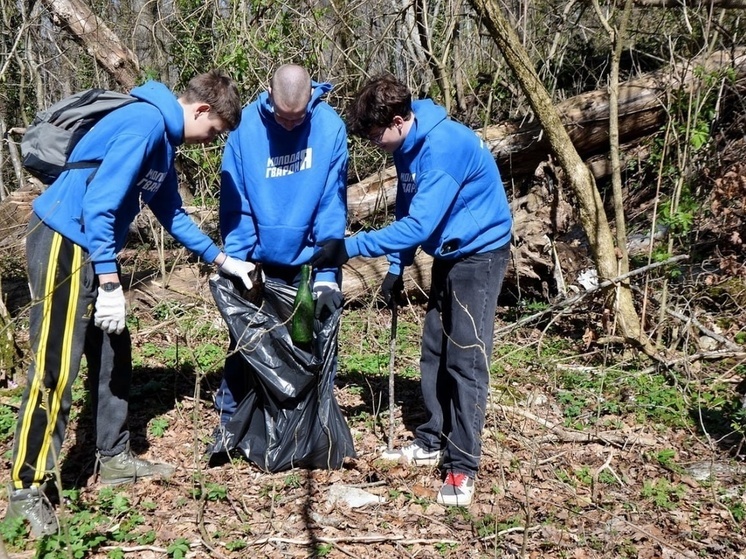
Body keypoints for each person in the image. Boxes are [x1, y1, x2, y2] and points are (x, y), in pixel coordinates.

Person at [6, 70, 257, 537]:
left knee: (112, 354)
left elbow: (173, 214)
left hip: (91, 246)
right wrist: (108, 282)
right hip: (66, 238)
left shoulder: (162, 141)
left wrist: (223, 261)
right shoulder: (144, 123)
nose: (211, 140)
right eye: (215, 130)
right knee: (55, 366)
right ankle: (26, 490)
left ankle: (114, 455)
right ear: (201, 110)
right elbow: (98, 205)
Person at [311, 74, 513, 507]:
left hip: (479, 253)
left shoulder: (442, 149)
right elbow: (407, 204)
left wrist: (347, 247)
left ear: (400, 120)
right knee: (435, 348)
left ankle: (462, 466)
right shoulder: (407, 145)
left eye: (376, 134)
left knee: (466, 359)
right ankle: (433, 438)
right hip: (448, 250)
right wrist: (397, 266)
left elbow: (418, 225)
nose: (374, 143)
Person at [210, 64, 347, 449]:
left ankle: (308, 433)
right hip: (257, 259)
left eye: (298, 118)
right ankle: (229, 425)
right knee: (248, 344)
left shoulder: (330, 127)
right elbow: (236, 201)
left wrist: (326, 273)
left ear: (311, 100)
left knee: (311, 343)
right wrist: (238, 261)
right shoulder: (244, 130)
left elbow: (331, 204)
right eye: (283, 118)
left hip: (308, 263)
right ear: (268, 95)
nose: (290, 126)